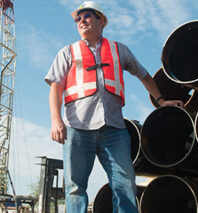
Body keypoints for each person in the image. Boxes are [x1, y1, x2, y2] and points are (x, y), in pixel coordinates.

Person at [45, 1, 183, 212]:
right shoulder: (68, 52)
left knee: (125, 185)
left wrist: (161, 100)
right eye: (77, 19)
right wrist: (56, 120)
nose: (81, 21)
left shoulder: (119, 50)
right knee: (75, 189)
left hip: (114, 131)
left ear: (101, 20)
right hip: (77, 130)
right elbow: (55, 87)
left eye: (87, 16)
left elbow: (143, 75)